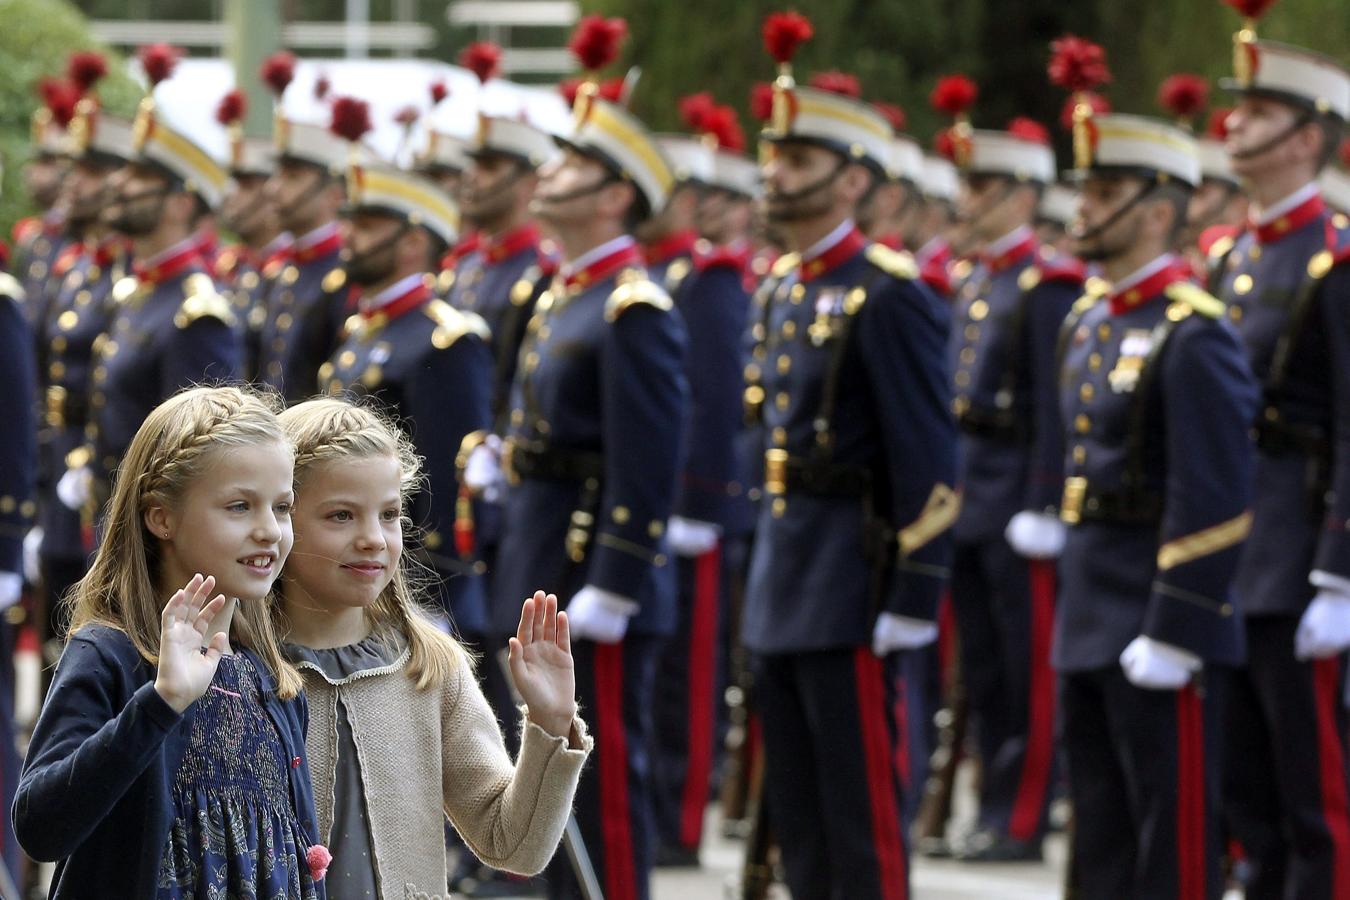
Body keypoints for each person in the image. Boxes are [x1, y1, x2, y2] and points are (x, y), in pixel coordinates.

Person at [741, 18, 957, 897]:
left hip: (854, 580)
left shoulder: (888, 294)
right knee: (798, 807)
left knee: (860, 811)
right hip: (787, 573)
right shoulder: (785, 286)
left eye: (797, 162)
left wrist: (916, 591)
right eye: (774, 158)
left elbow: (928, 458)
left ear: (854, 179)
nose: (774, 177)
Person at [482, 84, 690, 900]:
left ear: (613, 196)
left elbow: (647, 461)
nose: (551, 172)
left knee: (596, 783)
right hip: (540, 555)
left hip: (586, 576)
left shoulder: (632, 308)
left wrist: (618, 578)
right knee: (541, 779)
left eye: (573, 163)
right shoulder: (562, 294)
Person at [1054, 106, 1257, 900]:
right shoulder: (1089, 321)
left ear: (1160, 212)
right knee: (1098, 841)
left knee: (1171, 847)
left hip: (1153, 617)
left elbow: (1215, 493)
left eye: (1105, 193)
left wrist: (1178, 624)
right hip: (1089, 612)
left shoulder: (1193, 333)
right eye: (1087, 190)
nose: (1084, 210)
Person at [13, 386, 324, 898]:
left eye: (283, 507)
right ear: (162, 517)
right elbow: (41, 826)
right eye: (240, 506)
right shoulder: (109, 654)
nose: (270, 530)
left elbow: (301, 858)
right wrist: (161, 703)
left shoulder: (270, 676)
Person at [274, 396, 590, 898]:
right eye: (340, 516)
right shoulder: (237, 665)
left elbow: (514, 846)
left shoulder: (428, 665)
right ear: (280, 519)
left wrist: (549, 723)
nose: (373, 539)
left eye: (389, 514)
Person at [1208, 31, 1350, 900]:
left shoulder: (1335, 259)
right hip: (1235, 554)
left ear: (1306, 137)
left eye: (1259, 111)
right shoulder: (1234, 258)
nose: (1235, 122)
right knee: (1246, 804)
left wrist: (1340, 572)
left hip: (1300, 559)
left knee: (1318, 808)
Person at [944, 113, 1083, 861]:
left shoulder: (1044, 283)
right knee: (988, 670)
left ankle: (1023, 814)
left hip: (1017, 499)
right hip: (972, 495)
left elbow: (1053, 406)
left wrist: (1043, 501)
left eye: (983, 186)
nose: (967, 199)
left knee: (1029, 671)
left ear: (1024, 196)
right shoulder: (979, 278)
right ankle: (994, 804)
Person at [320, 160, 494, 643]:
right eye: (349, 222)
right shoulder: (360, 331)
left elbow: (443, 477)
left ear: (414, 243)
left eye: (368, 226)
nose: (349, 236)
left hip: (410, 580)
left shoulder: (444, 339)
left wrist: (432, 589)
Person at [53, 96, 240, 529]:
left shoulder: (196, 314)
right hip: (112, 519)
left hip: (153, 537)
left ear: (179, 204)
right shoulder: (139, 291)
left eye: (140, 177)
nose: (119, 183)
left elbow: (201, 457)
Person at [30, 104, 133, 669]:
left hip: (104, 477)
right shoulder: (79, 267)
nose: (77, 183)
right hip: (62, 471)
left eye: (92, 171)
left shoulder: (125, 274)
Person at [255, 111, 353, 400]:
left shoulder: (345, 274)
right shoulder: (282, 270)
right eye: (277, 175)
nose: (273, 189)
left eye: (293, 177)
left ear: (333, 195)